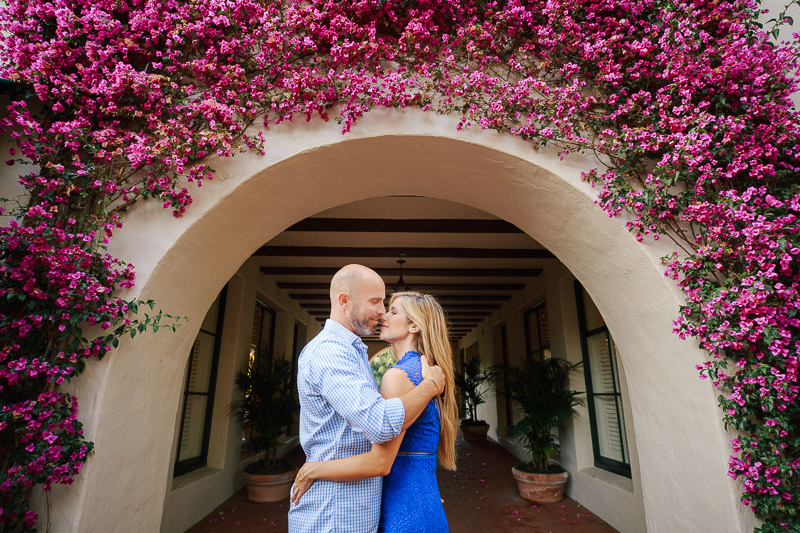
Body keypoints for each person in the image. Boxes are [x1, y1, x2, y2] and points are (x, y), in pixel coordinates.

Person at [288, 265, 447, 533]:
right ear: (344, 300)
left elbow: (388, 453)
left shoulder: (358, 355)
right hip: (334, 514)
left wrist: (416, 493)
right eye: (376, 301)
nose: (383, 311)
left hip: (359, 511)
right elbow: (381, 424)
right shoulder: (331, 353)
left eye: (388, 305)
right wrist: (431, 385)